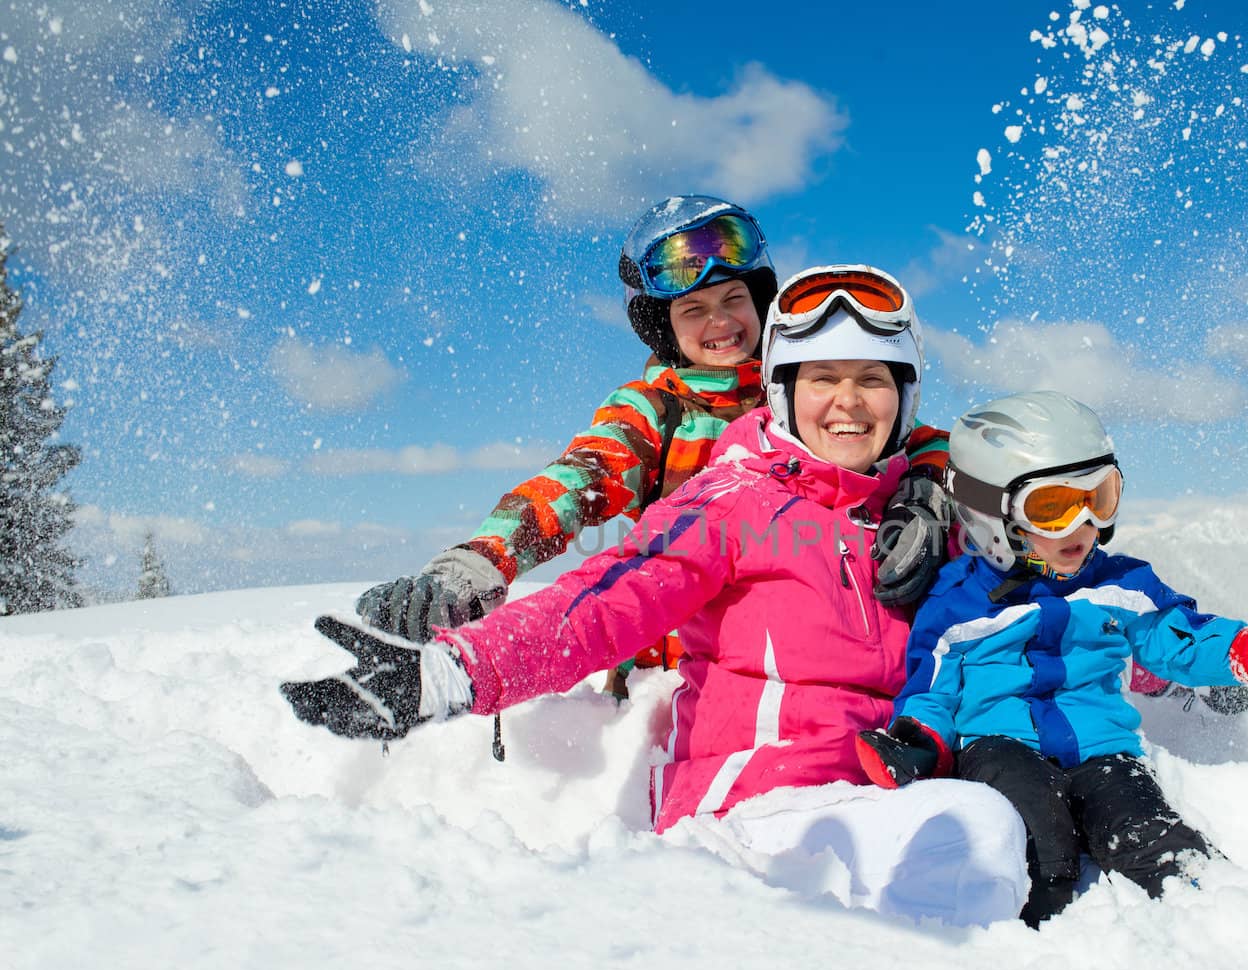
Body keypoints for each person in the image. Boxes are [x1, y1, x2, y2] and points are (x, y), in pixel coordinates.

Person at [281, 266, 1030, 927]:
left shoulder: (916, 503)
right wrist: (455, 654)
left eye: (872, 379)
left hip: (883, 781)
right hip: (763, 797)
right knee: (974, 841)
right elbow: (609, 587)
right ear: (783, 387)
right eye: (822, 377)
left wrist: (933, 488)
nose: (848, 401)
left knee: (1000, 833)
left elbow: (1024, 575)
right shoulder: (723, 481)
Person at [855, 390, 1248, 926]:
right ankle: (1032, 958)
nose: (1084, 526)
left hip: (1103, 747)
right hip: (1000, 747)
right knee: (1040, 845)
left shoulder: (1118, 584)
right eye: (1053, 508)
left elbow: (1184, 641)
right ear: (992, 514)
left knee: (1149, 832)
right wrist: (917, 745)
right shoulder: (956, 604)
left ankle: (1219, 923)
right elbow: (932, 687)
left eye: (1099, 497)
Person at [355, 196, 951, 671]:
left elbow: (925, 440)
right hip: (672, 672)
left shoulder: (804, 393)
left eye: (732, 299)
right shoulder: (654, 410)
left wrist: (925, 493)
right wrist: (483, 561)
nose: (718, 322)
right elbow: (579, 477)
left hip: (813, 655)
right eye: (693, 310)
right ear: (664, 326)